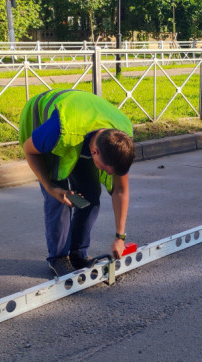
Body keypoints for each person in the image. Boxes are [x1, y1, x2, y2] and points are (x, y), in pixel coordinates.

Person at [19, 89, 135, 277]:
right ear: (95, 153)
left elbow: (121, 191)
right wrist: (50, 187)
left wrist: (119, 237)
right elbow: (29, 150)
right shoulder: (58, 130)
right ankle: (58, 258)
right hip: (49, 127)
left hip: (83, 131)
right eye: (105, 169)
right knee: (60, 199)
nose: (106, 173)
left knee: (90, 196)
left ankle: (77, 254)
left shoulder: (121, 141)